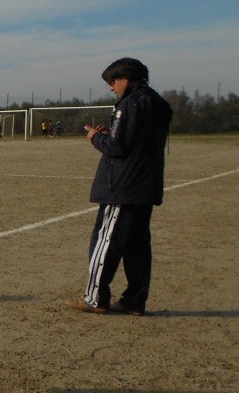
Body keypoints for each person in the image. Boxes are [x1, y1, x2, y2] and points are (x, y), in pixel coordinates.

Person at [66, 57, 172, 316]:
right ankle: (134, 301)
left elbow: (118, 147)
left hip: (123, 187)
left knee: (106, 241)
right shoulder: (158, 103)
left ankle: (95, 298)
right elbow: (135, 141)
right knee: (137, 247)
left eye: (113, 82)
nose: (112, 87)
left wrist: (96, 137)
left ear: (126, 78)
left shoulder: (129, 104)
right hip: (146, 185)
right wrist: (109, 135)